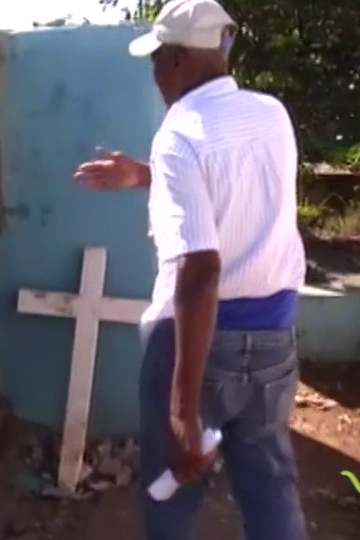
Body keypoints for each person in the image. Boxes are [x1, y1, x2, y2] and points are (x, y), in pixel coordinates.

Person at [72, 0, 309, 538]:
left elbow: (200, 270)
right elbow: (230, 182)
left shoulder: (178, 136)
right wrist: (146, 175)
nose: (154, 73)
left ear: (177, 58)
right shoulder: (271, 113)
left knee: (172, 490)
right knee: (270, 486)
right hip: (274, 337)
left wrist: (183, 405)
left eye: (156, 59)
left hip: (201, 339)